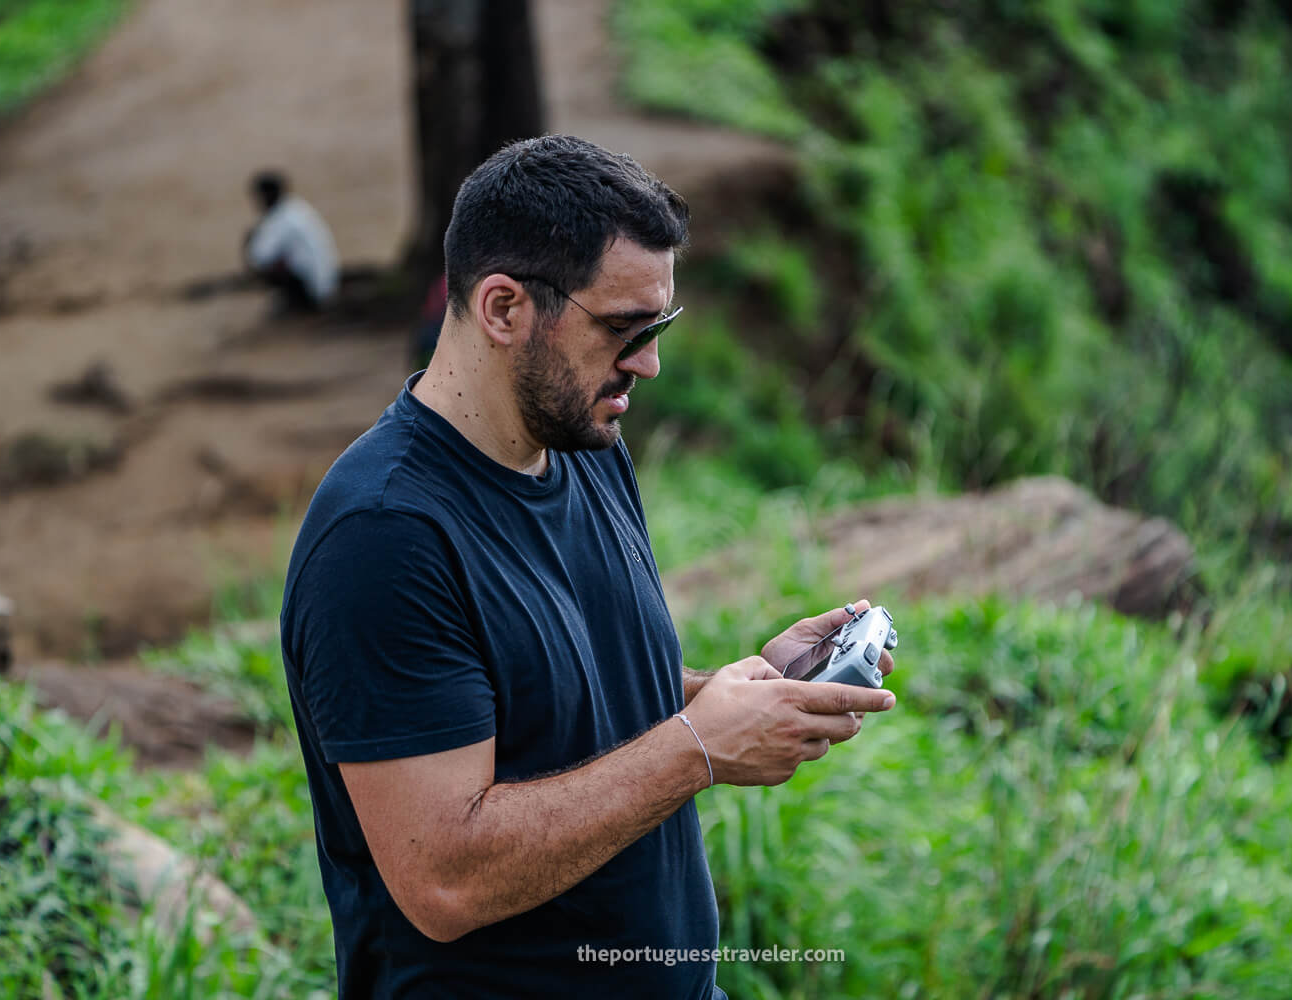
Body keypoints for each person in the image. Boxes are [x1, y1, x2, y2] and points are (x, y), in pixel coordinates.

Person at [279, 134, 897, 999]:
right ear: (502, 309)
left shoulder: (586, 441)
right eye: (622, 330)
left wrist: (731, 692)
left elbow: (563, 690)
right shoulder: (384, 540)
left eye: (660, 327)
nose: (646, 363)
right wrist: (696, 750)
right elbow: (445, 878)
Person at [244, 169, 339, 310]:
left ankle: (296, 302)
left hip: (312, 290)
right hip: (328, 284)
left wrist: (250, 240)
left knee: (260, 253)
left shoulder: (281, 219)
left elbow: (260, 257)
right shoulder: (297, 208)